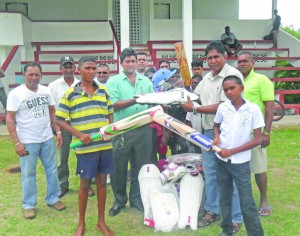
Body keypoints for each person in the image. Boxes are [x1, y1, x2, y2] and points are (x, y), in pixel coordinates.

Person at [182, 41, 243, 232]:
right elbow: (196, 98)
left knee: (230, 175)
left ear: (225, 56)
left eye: (217, 56)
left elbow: (225, 105)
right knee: (210, 174)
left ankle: (235, 217)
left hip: (229, 134)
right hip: (207, 134)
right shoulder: (207, 78)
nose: (213, 61)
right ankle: (212, 210)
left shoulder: (233, 75)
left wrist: (195, 107)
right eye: (210, 58)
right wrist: (179, 97)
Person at [55, 56, 114, 236]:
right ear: (79, 70)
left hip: (104, 146)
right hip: (85, 147)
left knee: (102, 182)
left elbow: (110, 114)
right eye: (87, 68)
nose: (91, 72)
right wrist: (79, 134)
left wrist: (109, 130)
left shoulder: (103, 90)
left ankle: (101, 222)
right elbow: (59, 119)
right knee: (84, 184)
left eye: (94, 68)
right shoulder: (70, 93)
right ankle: (81, 223)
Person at [6, 62, 66, 220]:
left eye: (36, 75)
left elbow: (52, 112)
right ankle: (29, 205)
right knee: (28, 173)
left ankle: (53, 198)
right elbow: (10, 119)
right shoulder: (16, 94)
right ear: (23, 76)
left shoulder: (46, 91)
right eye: (30, 75)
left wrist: (57, 131)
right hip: (27, 141)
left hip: (46, 138)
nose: (33, 78)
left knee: (51, 170)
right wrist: (17, 143)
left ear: (41, 75)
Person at [213, 75, 264, 236]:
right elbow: (216, 125)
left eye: (232, 88)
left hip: (240, 162)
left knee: (246, 201)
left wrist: (232, 151)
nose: (228, 92)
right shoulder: (223, 108)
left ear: (241, 88)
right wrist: (216, 136)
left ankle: (256, 233)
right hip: (222, 159)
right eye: (226, 89)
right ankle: (226, 230)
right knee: (225, 197)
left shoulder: (252, 109)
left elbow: (257, 139)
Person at [106, 48, 154, 217]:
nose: (131, 64)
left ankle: (136, 199)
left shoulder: (145, 81)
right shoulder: (114, 81)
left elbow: (152, 103)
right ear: (121, 63)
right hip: (122, 130)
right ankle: (119, 200)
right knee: (118, 167)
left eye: (133, 61)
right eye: (127, 61)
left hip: (143, 129)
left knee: (140, 166)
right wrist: (136, 99)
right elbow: (113, 104)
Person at [237, 51, 274, 217]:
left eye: (245, 61)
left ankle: (264, 199)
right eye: (239, 62)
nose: (242, 64)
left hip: (255, 132)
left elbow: (269, 107)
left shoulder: (261, 80)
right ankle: (242, 200)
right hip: (236, 132)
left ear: (253, 62)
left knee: (259, 168)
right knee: (239, 168)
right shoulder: (236, 81)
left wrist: (266, 132)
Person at [48, 56, 82, 198]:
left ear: (75, 68)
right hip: (63, 124)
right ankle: (63, 184)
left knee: (83, 155)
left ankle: (85, 184)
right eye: (65, 67)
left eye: (70, 66)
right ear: (60, 68)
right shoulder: (53, 86)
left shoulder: (82, 84)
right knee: (63, 157)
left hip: (80, 124)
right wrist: (58, 130)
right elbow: (52, 109)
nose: (68, 69)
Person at [185, 75, 203, 154]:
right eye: (193, 83)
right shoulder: (191, 102)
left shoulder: (207, 101)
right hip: (195, 138)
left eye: (197, 83)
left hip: (206, 138)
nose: (194, 85)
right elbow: (188, 121)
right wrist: (192, 137)